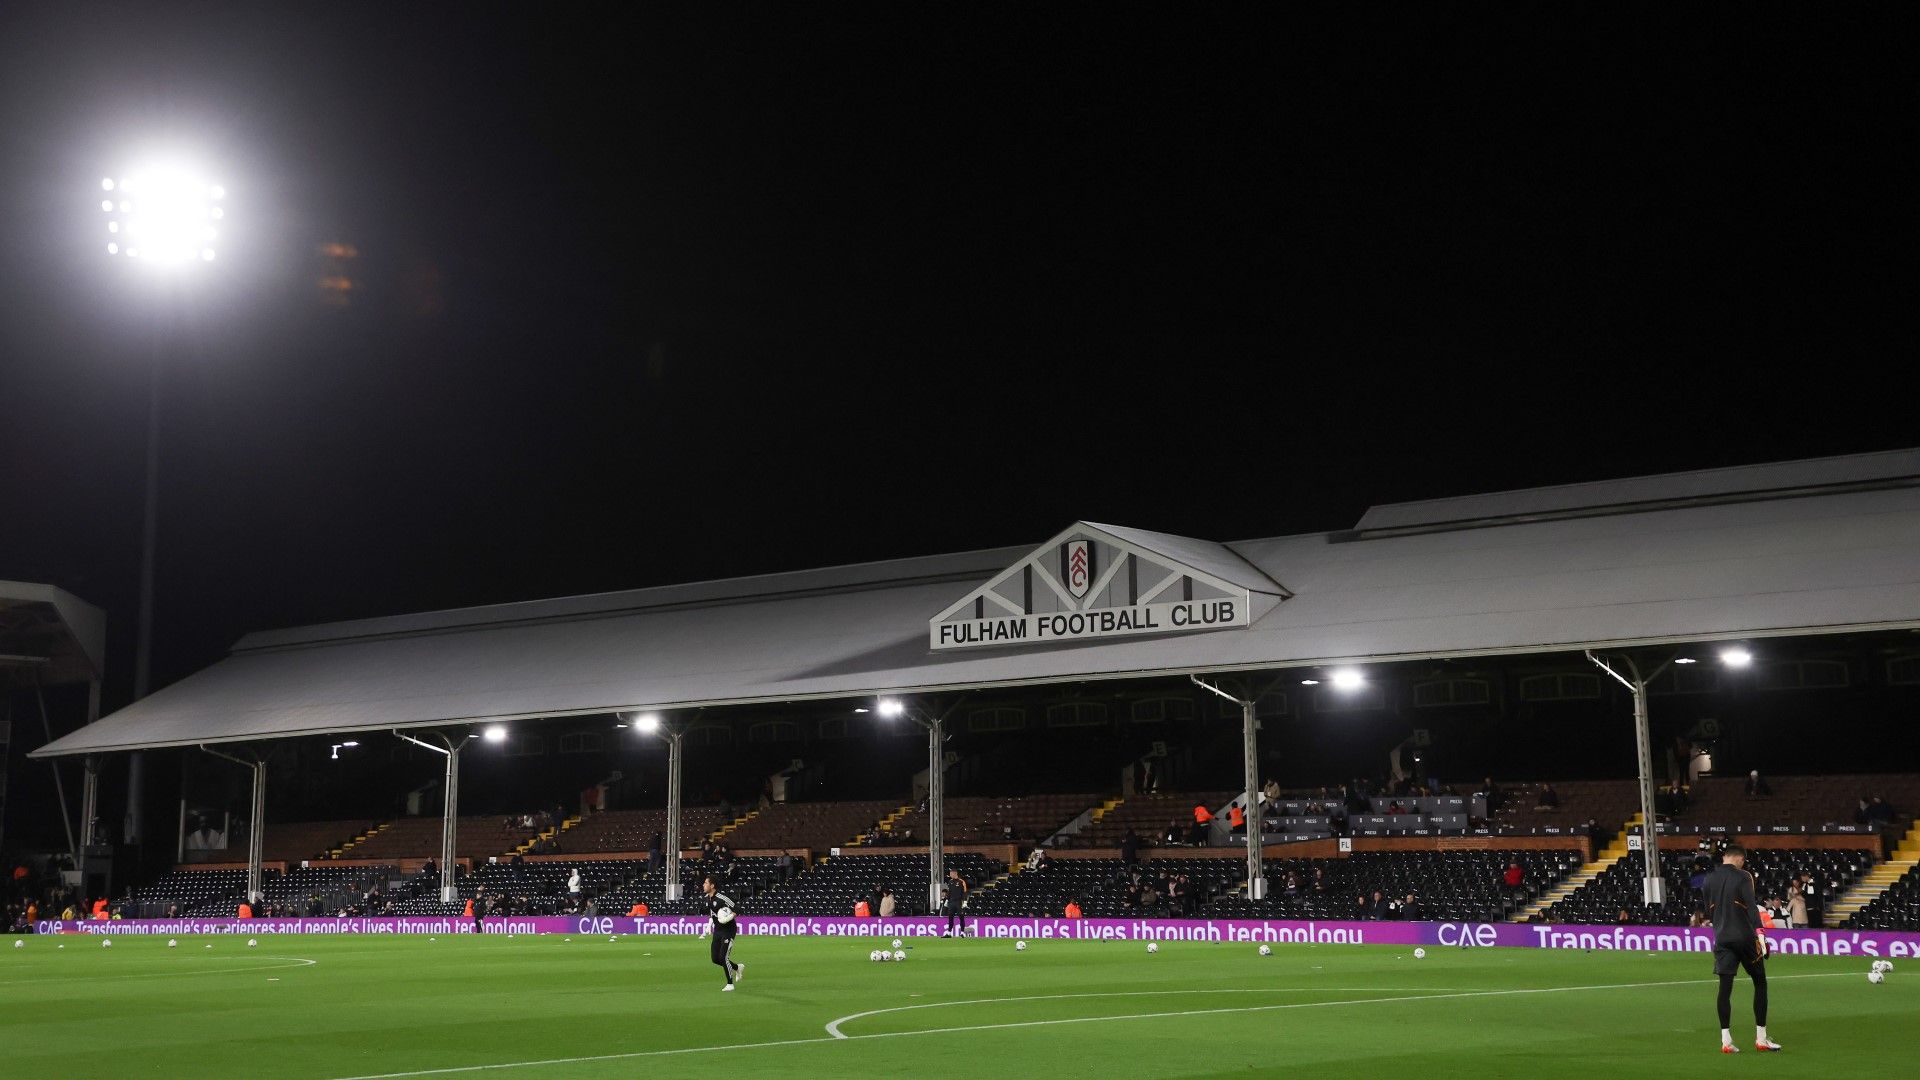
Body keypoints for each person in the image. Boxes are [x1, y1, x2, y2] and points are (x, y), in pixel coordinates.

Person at [1702, 846, 1779, 1053]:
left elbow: (1707, 909)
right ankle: (1761, 1039)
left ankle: (1726, 1041)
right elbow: (1752, 906)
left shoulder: (1708, 879)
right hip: (1744, 938)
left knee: (1724, 990)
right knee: (1760, 983)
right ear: (1740, 859)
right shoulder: (1744, 876)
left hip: (1722, 939)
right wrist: (1761, 935)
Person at [700, 876, 744, 991]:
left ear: (712, 885)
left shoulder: (722, 898)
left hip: (728, 930)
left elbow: (738, 908)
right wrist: (709, 926)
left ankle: (730, 984)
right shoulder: (707, 898)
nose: (703, 885)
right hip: (718, 930)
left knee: (723, 957)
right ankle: (737, 967)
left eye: (705, 883)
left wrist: (729, 917)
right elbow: (712, 914)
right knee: (715, 959)